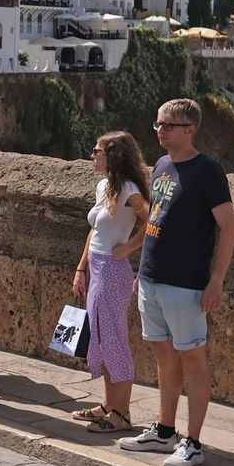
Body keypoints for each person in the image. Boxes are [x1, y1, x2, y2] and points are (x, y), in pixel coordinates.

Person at [118, 98, 234, 466]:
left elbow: (228, 226)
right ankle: (165, 431)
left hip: (186, 285)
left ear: (190, 130)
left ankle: (194, 443)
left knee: (194, 360)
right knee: (163, 356)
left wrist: (216, 281)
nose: (161, 130)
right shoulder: (161, 166)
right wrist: (140, 268)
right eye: (158, 124)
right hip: (152, 279)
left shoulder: (207, 171)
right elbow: (156, 219)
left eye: (169, 125)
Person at [69, 131, 150, 435]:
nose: (92, 156)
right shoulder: (104, 186)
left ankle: (122, 412)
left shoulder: (128, 189)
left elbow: (153, 221)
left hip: (113, 271)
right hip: (97, 268)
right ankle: (108, 404)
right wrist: (81, 268)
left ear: (112, 156)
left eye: (97, 151)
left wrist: (127, 248)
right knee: (102, 340)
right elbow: (95, 231)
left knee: (114, 340)